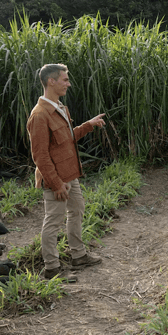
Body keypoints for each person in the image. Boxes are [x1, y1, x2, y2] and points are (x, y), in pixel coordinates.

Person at [26, 64, 106, 281]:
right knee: (53, 221)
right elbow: (40, 156)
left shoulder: (59, 107)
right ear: (51, 81)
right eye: (65, 80)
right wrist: (56, 183)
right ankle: (51, 268)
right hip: (56, 179)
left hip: (70, 175)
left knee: (77, 210)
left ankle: (78, 255)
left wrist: (88, 125)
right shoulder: (40, 115)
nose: (68, 84)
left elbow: (67, 140)